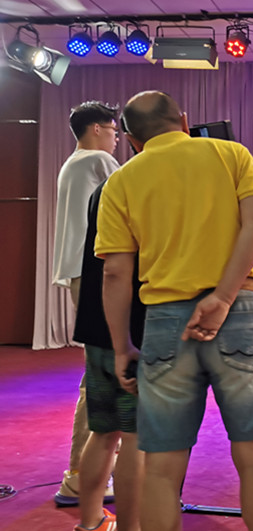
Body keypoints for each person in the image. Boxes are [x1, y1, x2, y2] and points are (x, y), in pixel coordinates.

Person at [96, 91, 253, 531]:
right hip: (241, 311)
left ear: (131, 140)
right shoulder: (231, 154)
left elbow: (115, 274)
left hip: (165, 324)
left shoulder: (120, 182)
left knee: (162, 469)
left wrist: (122, 347)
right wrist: (222, 298)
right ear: (183, 120)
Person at [52, 101, 120, 507]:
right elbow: (133, 200)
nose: (117, 139)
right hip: (96, 272)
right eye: (113, 131)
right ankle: (80, 474)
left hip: (81, 273)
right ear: (96, 129)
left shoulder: (71, 164)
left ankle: (88, 470)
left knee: (99, 371)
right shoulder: (97, 160)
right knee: (102, 374)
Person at [72, 181, 146, 531]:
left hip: (96, 323)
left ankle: (89, 521)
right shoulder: (146, 184)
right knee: (135, 436)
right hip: (132, 330)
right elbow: (120, 269)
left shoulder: (104, 188)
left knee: (103, 431)